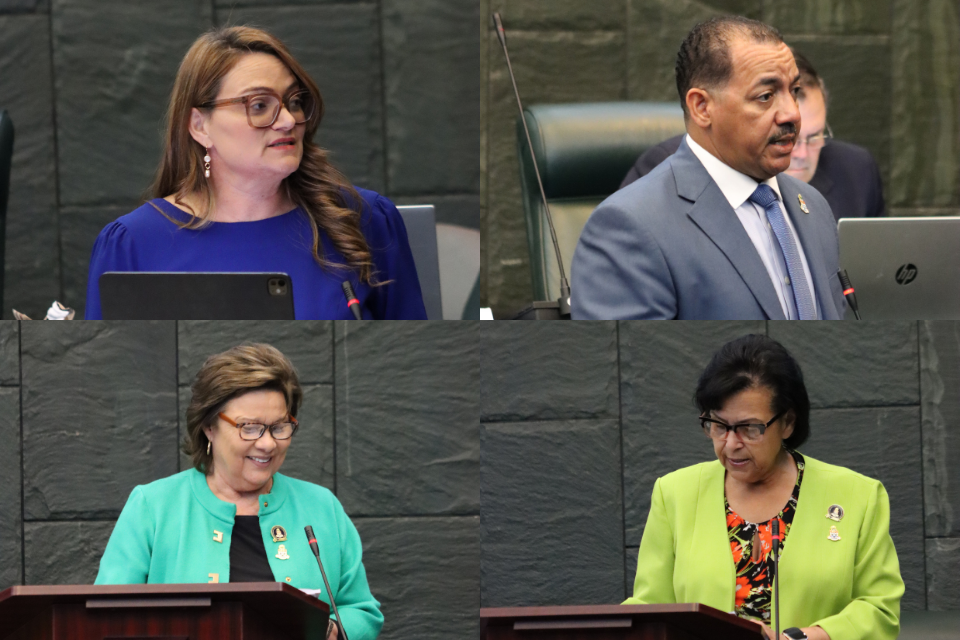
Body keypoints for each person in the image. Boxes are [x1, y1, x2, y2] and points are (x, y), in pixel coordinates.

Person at [84, 26, 427, 320]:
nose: (288, 120)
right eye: (259, 105)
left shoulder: (364, 219)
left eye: (294, 102)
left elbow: (412, 356)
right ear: (199, 126)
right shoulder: (133, 245)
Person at [96, 343, 383, 640]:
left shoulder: (322, 507)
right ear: (209, 426)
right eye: (249, 427)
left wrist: (330, 630)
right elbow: (105, 618)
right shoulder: (152, 507)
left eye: (279, 427)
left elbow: (362, 610)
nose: (268, 444)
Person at [625, 334, 903, 640]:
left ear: (788, 422)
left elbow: (879, 610)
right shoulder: (675, 493)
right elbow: (651, 610)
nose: (731, 444)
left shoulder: (857, 496)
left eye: (749, 429)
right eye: (718, 425)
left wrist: (803, 638)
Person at [571, 16, 845, 320]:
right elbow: (630, 352)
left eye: (793, 91)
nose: (791, 113)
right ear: (702, 107)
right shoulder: (629, 228)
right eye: (766, 96)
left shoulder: (813, 206)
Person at [619, 51, 885, 222]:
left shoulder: (856, 172)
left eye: (814, 137)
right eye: (788, 136)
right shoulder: (666, 169)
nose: (801, 154)